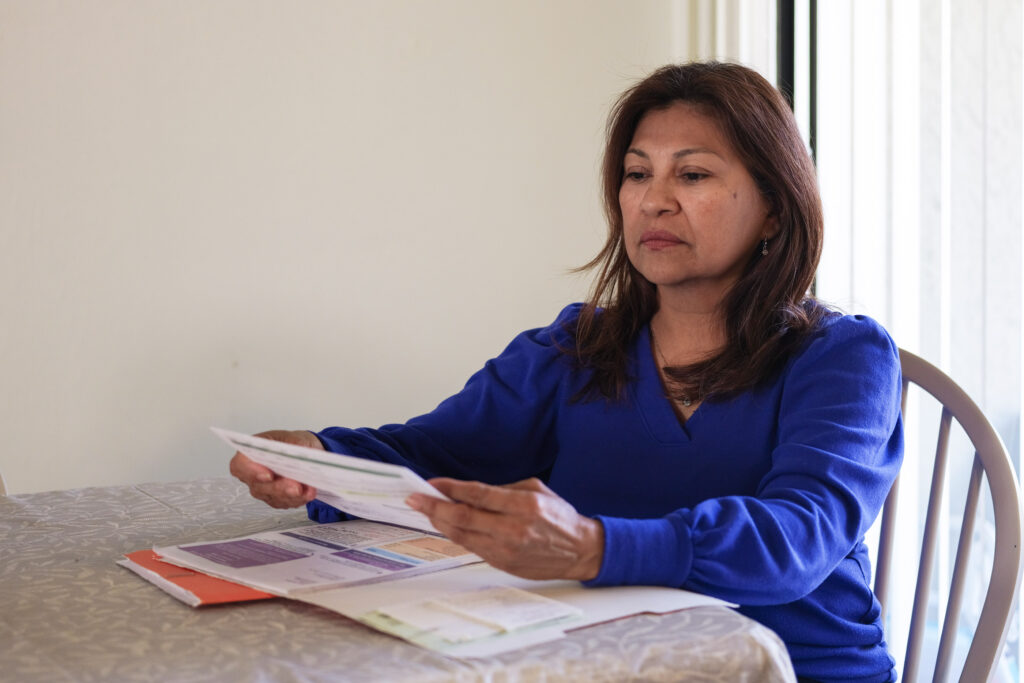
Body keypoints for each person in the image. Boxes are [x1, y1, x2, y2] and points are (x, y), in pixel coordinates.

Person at [231, 62, 903, 683]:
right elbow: (431, 453)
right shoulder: (574, 346)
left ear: (775, 209)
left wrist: (592, 546)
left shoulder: (844, 357)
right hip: (607, 664)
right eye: (638, 174)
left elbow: (799, 534)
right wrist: (318, 457)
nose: (653, 201)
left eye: (692, 175)